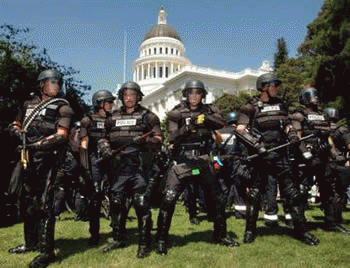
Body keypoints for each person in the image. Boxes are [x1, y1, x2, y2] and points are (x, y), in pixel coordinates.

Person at [156, 80, 240, 256]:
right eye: (191, 93)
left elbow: (220, 123)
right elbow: (171, 137)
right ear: (186, 95)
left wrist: (206, 119)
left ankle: (221, 235)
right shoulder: (176, 113)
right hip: (183, 163)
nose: (194, 97)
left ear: (202, 95)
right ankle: (161, 240)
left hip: (202, 163)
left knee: (218, 199)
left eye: (198, 93)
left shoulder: (210, 109)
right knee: (169, 198)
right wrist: (187, 128)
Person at [236, 73, 319, 245]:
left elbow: (288, 125)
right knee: (255, 194)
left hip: (280, 156)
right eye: (275, 85)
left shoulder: (281, 105)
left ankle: (301, 231)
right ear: (265, 87)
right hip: (261, 157)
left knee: (293, 195)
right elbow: (240, 130)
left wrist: (293, 135)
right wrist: (257, 146)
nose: (278, 88)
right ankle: (250, 231)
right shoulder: (250, 107)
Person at [8, 69, 74, 268]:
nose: (56, 86)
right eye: (51, 82)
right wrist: (17, 132)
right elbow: (16, 123)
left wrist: (39, 144)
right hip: (27, 158)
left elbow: (62, 134)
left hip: (49, 159)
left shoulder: (63, 107)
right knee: (27, 201)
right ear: (41, 84)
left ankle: (47, 252)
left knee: (45, 204)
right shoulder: (28, 104)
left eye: (58, 82)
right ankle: (30, 243)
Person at [100, 81, 162, 258]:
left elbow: (159, 139)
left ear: (138, 97)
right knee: (117, 204)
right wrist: (105, 147)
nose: (129, 98)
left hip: (139, 166)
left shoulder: (148, 116)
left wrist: (145, 141)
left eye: (132, 95)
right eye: (126, 95)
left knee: (141, 204)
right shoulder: (112, 117)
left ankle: (144, 244)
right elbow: (104, 137)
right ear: (121, 97)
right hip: (118, 166)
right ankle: (118, 239)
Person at [290, 88, 350, 233]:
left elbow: (328, 137)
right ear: (305, 98)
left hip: (323, 157)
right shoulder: (299, 115)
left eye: (316, 95)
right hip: (306, 158)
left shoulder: (323, 115)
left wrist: (334, 153)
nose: (316, 98)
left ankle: (331, 223)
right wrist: (305, 154)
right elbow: (297, 137)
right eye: (312, 96)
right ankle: (299, 223)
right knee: (303, 190)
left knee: (328, 190)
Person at [79, 90, 116, 245]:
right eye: (109, 102)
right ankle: (94, 234)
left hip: (112, 160)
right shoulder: (87, 120)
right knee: (96, 196)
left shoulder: (114, 119)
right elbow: (83, 146)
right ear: (100, 103)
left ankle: (117, 229)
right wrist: (85, 168)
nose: (112, 105)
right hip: (95, 161)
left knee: (117, 195)